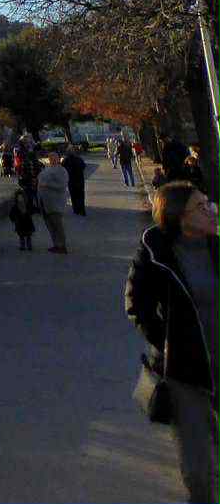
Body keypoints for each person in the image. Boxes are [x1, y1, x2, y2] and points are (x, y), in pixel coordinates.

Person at [124, 181, 218, 503]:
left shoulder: (216, 246)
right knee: (197, 459)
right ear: (179, 216)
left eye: (209, 203)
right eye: (200, 207)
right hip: (186, 369)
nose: (210, 211)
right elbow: (136, 305)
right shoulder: (156, 254)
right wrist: (169, 342)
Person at [37, 154, 72, 253]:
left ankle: (62, 246)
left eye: (53, 158)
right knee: (50, 225)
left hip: (55, 203)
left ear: (58, 159)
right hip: (45, 202)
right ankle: (56, 244)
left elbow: (62, 185)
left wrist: (46, 184)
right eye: (50, 158)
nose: (51, 160)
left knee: (57, 225)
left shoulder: (62, 171)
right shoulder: (48, 169)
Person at [10, 185, 38, 252]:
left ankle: (27, 245)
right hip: (21, 222)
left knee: (26, 235)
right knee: (22, 235)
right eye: (19, 198)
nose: (20, 199)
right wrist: (13, 219)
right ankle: (24, 245)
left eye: (21, 197)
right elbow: (11, 214)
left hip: (26, 222)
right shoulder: (16, 206)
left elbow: (33, 209)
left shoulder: (26, 205)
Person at [64, 144, 89, 216]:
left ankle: (76, 209)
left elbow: (63, 169)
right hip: (79, 179)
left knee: (73, 195)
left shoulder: (66, 160)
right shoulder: (79, 159)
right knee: (80, 195)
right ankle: (82, 210)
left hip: (71, 180)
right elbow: (83, 167)